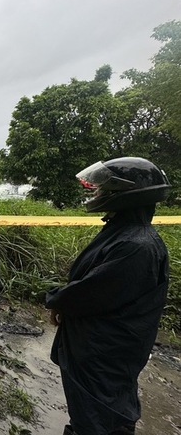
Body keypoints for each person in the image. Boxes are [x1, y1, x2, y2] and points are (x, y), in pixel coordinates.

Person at [46, 157, 171, 435]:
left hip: (105, 355)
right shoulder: (124, 232)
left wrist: (57, 299)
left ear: (123, 195)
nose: (97, 193)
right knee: (90, 416)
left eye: (103, 189)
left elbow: (94, 290)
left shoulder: (137, 245)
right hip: (97, 351)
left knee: (101, 420)